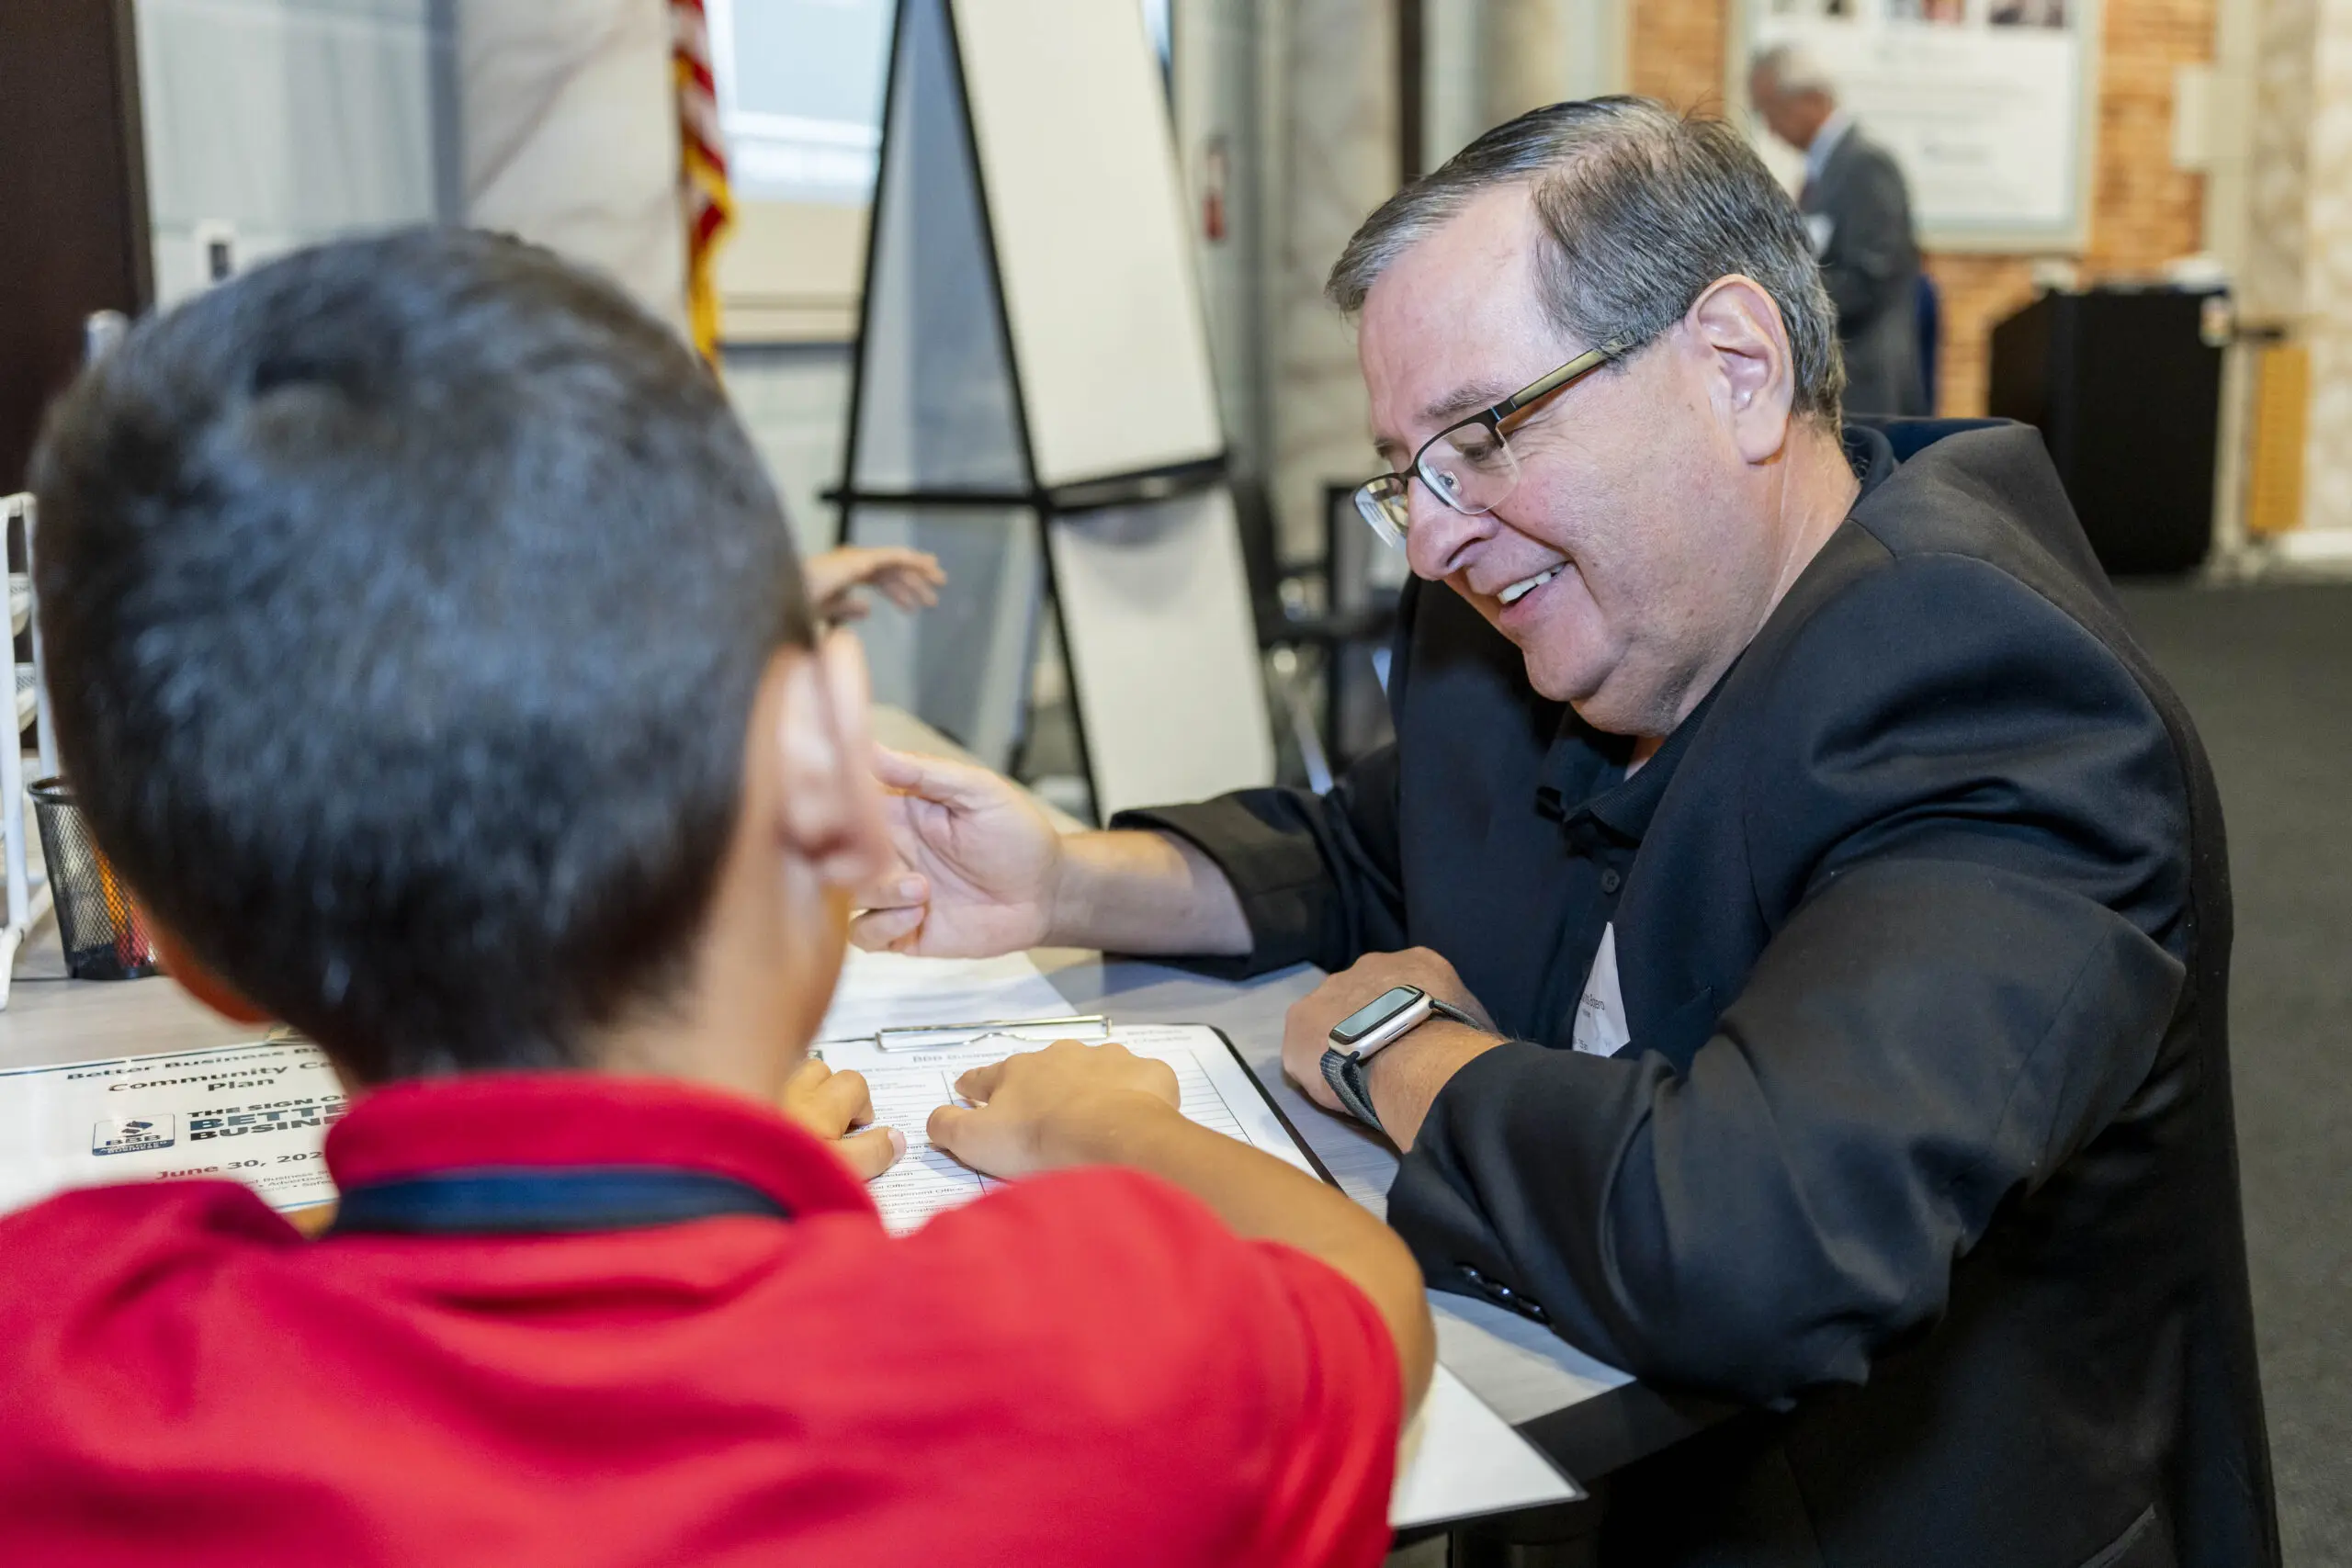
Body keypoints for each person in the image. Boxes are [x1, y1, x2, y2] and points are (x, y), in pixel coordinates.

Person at [856, 99, 2278, 1568]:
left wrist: (1392, 1044)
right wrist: (1069, 875)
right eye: (1408, 469)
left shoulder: (1987, 689)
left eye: (1483, 433)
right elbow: (1368, 845)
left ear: (1736, 366)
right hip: (1564, 1476)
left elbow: (1753, 1235)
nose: (1431, 535)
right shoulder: (1554, 616)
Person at [0, 229, 1430, 1568]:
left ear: (181, 944)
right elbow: (1368, 1296)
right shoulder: (1091, 1358)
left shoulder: (61, 1366)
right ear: (825, 768)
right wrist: (1111, 1129)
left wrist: (568, 1194)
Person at [1748, 45, 1928, 414]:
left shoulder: (1866, 165)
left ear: (1811, 98)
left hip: (1867, 379)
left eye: (1770, 108)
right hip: (1841, 373)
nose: (1768, 126)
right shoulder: (1824, 169)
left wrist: (1785, 303)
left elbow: (1872, 277)